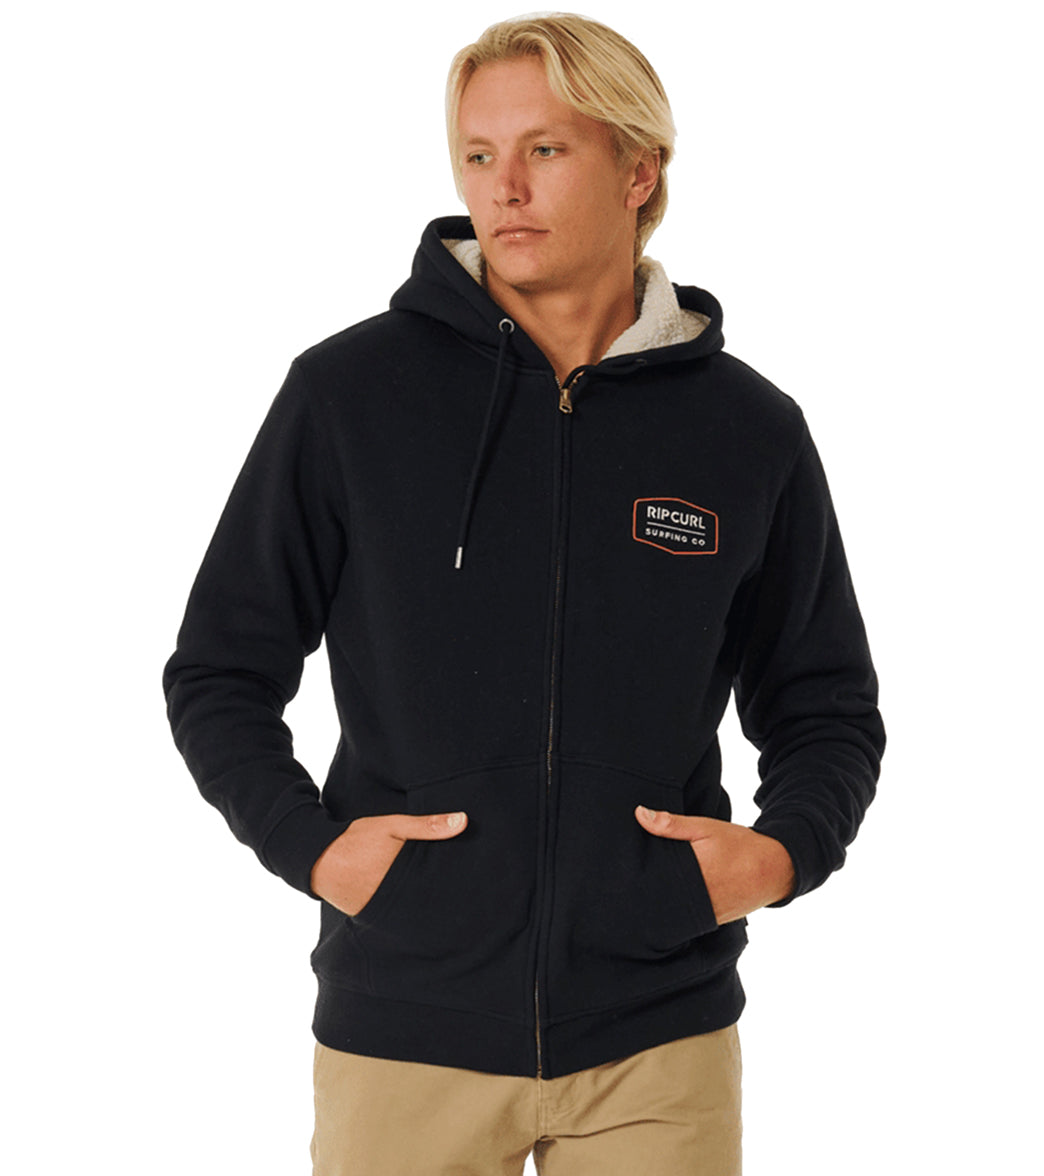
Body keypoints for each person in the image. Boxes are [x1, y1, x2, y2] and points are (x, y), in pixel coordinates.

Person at [163, 13, 884, 1175]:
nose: (504, 188)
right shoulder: (350, 396)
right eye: (478, 154)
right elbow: (219, 672)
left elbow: (825, 705)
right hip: (405, 1034)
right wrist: (314, 850)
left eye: (544, 149)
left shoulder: (746, 430)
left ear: (638, 169)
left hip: (659, 1041)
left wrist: (782, 853)